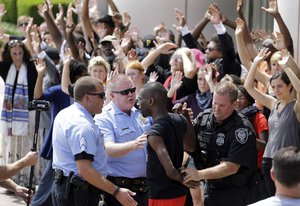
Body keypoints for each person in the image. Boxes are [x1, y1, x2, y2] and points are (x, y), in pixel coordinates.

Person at [52, 76, 137, 206]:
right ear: (87, 98)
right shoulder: (82, 125)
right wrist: (116, 191)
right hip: (78, 192)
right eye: (101, 95)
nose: (105, 99)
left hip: (67, 187)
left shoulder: (66, 113)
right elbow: (85, 170)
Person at [180, 80, 257, 205]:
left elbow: (231, 167)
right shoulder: (204, 118)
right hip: (210, 189)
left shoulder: (241, 129)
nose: (216, 109)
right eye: (214, 103)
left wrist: (198, 174)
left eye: (222, 105)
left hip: (235, 193)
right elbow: (190, 147)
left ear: (234, 104)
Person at [244, 48, 300, 197]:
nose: (276, 90)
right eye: (273, 87)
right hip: (268, 160)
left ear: (289, 86)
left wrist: (286, 66)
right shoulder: (273, 103)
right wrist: (255, 63)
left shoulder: (296, 106)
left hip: (288, 162)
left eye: (280, 86)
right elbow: (248, 87)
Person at [94, 74, 152, 206]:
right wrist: (133, 145)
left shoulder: (140, 112)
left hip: (145, 188)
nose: (130, 94)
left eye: (132, 90)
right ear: (112, 95)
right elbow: (108, 149)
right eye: (125, 92)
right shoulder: (104, 118)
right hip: (120, 191)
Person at [138, 82, 195, 206]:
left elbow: (170, 171)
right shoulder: (180, 119)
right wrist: (187, 118)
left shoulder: (154, 133)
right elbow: (191, 146)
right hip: (180, 194)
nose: (138, 104)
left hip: (162, 196)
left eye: (140, 99)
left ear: (151, 101)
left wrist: (185, 180)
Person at [0, 39, 39, 186]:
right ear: (10, 55)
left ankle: (25, 177)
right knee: (11, 144)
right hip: (9, 116)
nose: (17, 56)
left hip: (27, 114)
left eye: (20, 53)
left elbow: (39, 62)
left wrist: (30, 39)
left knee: (25, 145)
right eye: (14, 53)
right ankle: (10, 178)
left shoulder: (30, 67)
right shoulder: (5, 67)